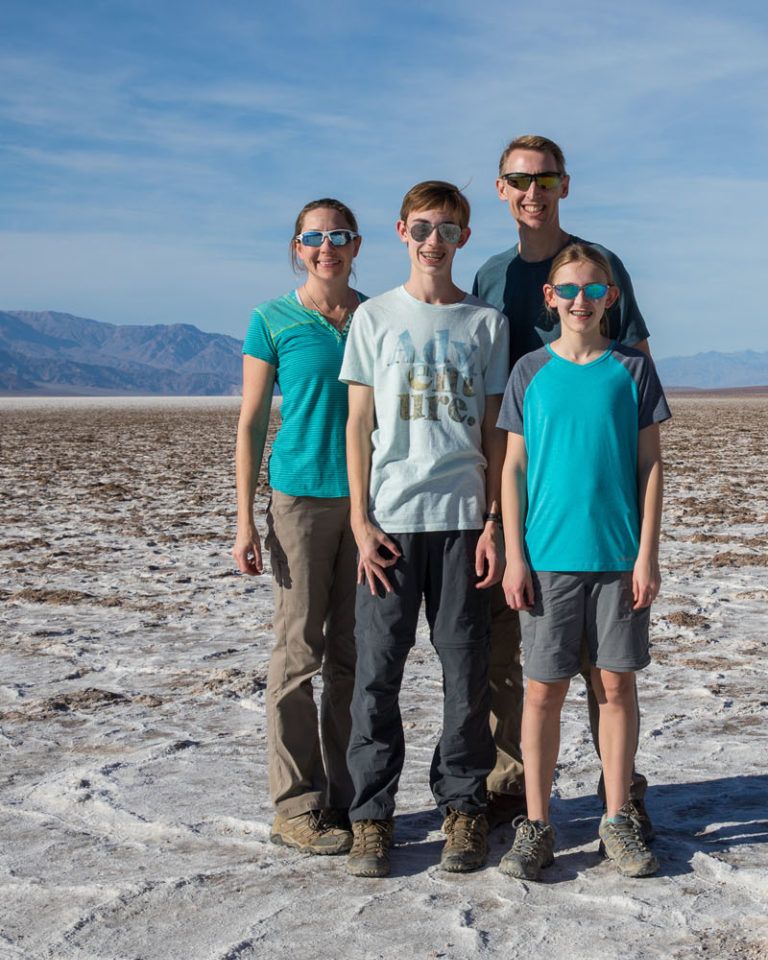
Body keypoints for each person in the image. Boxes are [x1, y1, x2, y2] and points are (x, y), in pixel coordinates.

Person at [471, 135, 655, 837]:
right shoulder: (491, 278)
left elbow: (632, 383)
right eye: (519, 180)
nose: (532, 191)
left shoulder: (601, 267)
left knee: (609, 672)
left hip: (601, 513)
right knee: (516, 662)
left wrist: (642, 531)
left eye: (545, 179)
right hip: (522, 503)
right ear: (501, 189)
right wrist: (495, 518)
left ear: (563, 186)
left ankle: (622, 799)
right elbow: (494, 404)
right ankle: (519, 799)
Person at [339, 181, 510, 878]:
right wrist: (358, 518)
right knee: (377, 674)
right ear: (401, 232)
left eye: (446, 229)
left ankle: (463, 808)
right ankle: (372, 818)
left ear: (464, 237)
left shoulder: (485, 324)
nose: (432, 240)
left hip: (464, 521)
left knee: (464, 674)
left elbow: (498, 431)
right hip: (390, 523)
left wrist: (496, 518)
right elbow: (358, 426)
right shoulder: (375, 318)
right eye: (420, 228)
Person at [495, 242, 669, 881]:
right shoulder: (529, 372)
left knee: (616, 685)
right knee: (542, 693)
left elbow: (650, 466)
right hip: (547, 562)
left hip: (618, 559)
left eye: (592, 291)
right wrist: (516, 555)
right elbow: (513, 468)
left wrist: (646, 555)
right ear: (550, 298)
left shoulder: (632, 369)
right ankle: (536, 825)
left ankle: (617, 818)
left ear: (610, 300)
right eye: (567, 290)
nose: (579, 301)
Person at [232, 198, 365, 856]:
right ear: (296, 246)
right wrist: (243, 520)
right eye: (313, 238)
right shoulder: (273, 320)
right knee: (297, 653)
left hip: (367, 506)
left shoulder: (376, 315)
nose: (326, 247)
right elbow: (252, 422)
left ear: (356, 245)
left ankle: (344, 797)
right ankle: (296, 805)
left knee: (351, 657)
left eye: (338, 236)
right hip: (299, 502)